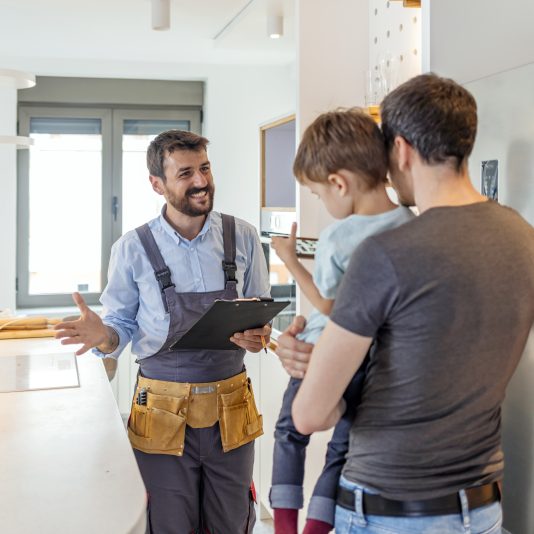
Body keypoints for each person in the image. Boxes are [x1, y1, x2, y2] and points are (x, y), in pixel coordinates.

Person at [277, 74, 534, 533]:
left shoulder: (386, 256)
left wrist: (309, 367)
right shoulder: (521, 237)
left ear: (401, 150)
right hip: (482, 509)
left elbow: (312, 414)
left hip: (391, 510)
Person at [54, 130, 271, 533]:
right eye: (185, 173)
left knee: (232, 522)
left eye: (204, 168)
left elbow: (258, 311)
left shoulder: (242, 236)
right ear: (157, 184)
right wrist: (103, 334)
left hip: (232, 409)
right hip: (160, 412)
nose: (201, 181)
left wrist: (258, 334)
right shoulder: (132, 248)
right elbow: (119, 327)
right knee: (169, 523)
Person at [269, 109, 414, 534]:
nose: (322, 203)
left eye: (317, 194)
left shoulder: (339, 234)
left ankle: (283, 528)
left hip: (324, 351)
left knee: (289, 431)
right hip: (375, 362)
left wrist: (291, 262)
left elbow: (331, 307)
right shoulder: (409, 222)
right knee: (342, 447)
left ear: (338, 183)